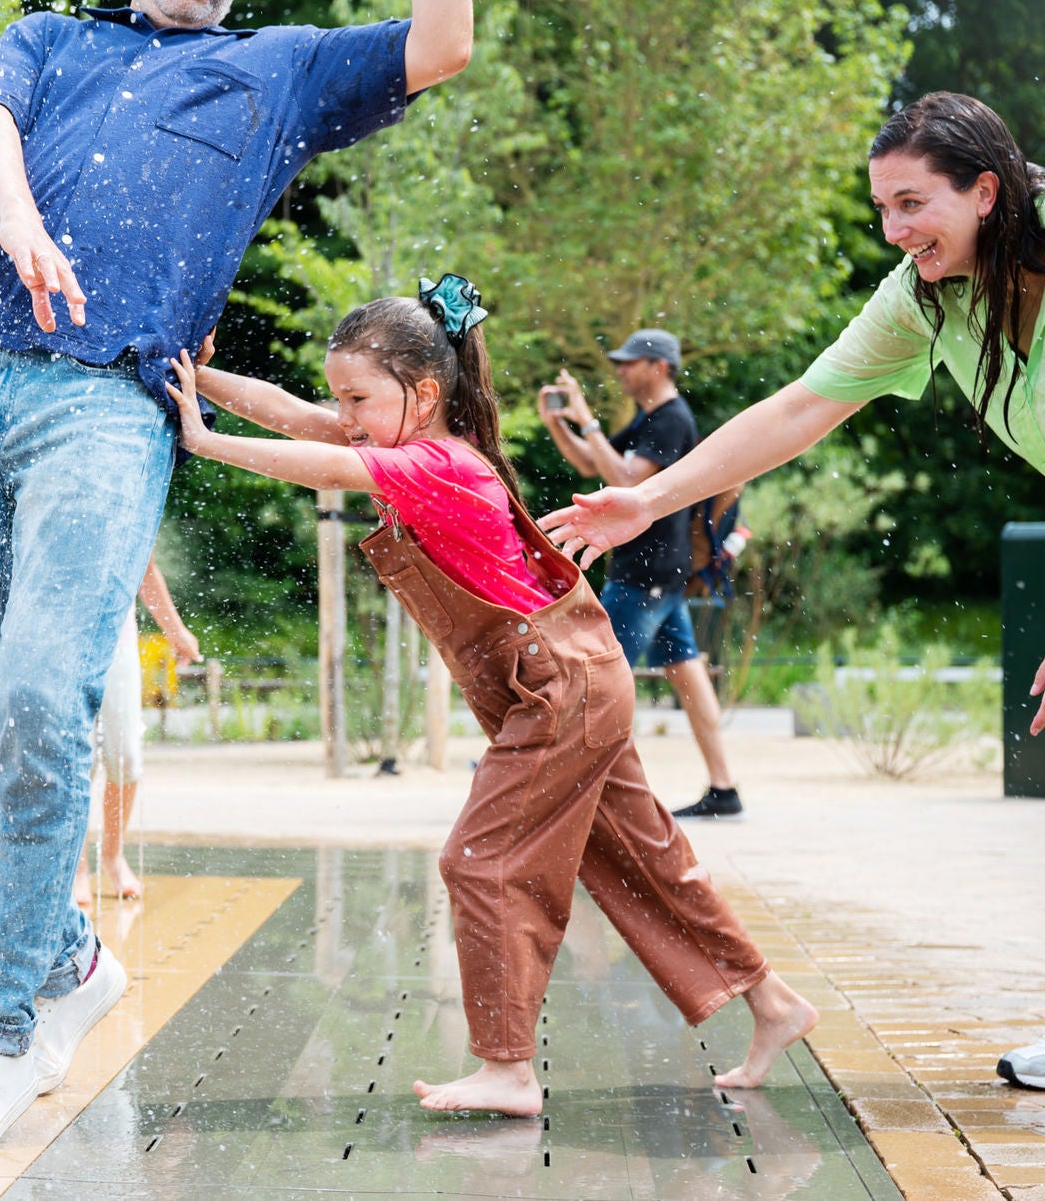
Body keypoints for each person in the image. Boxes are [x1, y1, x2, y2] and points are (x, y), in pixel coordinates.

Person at [0, 0, 473, 1163]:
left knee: (41, 699)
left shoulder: (277, 74)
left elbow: (442, 41)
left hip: (111, 400)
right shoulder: (47, 39)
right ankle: (72, 958)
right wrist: (23, 220)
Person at [541, 91, 1045, 1137]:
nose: (893, 232)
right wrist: (651, 499)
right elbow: (804, 404)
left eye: (910, 204)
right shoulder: (932, 293)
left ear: (985, 190)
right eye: (880, 209)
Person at [165, 276, 818, 1117]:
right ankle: (771, 1003)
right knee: (642, 856)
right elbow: (298, 417)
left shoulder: (436, 463)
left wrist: (205, 440)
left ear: (425, 392)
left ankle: (508, 1068)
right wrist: (200, 379)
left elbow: (318, 459)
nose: (346, 412)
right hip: (570, 680)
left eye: (358, 397)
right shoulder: (421, 440)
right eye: (342, 396)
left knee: (481, 859)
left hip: (558, 690)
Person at [539, 330, 743, 818]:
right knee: (688, 679)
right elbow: (595, 463)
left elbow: (627, 481)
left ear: (660, 367)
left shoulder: (672, 420)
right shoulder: (651, 419)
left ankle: (555, 786)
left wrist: (587, 419)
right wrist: (558, 424)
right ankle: (725, 789)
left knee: (594, 678)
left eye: (631, 363)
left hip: (645, 573)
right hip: (660, 574)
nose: (621, 370)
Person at [74, 557, 200, 906]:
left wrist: (176, 631)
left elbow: (145, 565)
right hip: (62, 640)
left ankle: (113, 857)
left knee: (126, 755)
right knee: (75, 760)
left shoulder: (126, 502)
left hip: (118, 640)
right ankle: (76, 867)